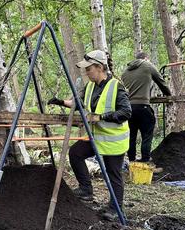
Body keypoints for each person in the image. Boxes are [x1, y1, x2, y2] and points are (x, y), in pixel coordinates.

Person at [48, 50, 131, 215]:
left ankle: (115, 209)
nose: (86, 72)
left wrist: (101, 117)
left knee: (113, 174)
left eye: (89, 68)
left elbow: (126, 112)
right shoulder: (91, 86)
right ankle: (86, 189)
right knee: (76, 153)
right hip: (96, 137)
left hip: (113, 141)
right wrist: (61, 102)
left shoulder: (116, 87)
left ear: (100, 67)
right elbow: (79, 104)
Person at [121, 52, 171, 163]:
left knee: (131, 136)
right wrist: (169, 95)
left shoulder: (125, 71)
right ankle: (145, 160)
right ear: (146, 58)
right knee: (147, 135)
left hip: (129, 108)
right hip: (143, 107)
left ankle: (132, 161)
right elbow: (161, 82)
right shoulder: (147, 65)